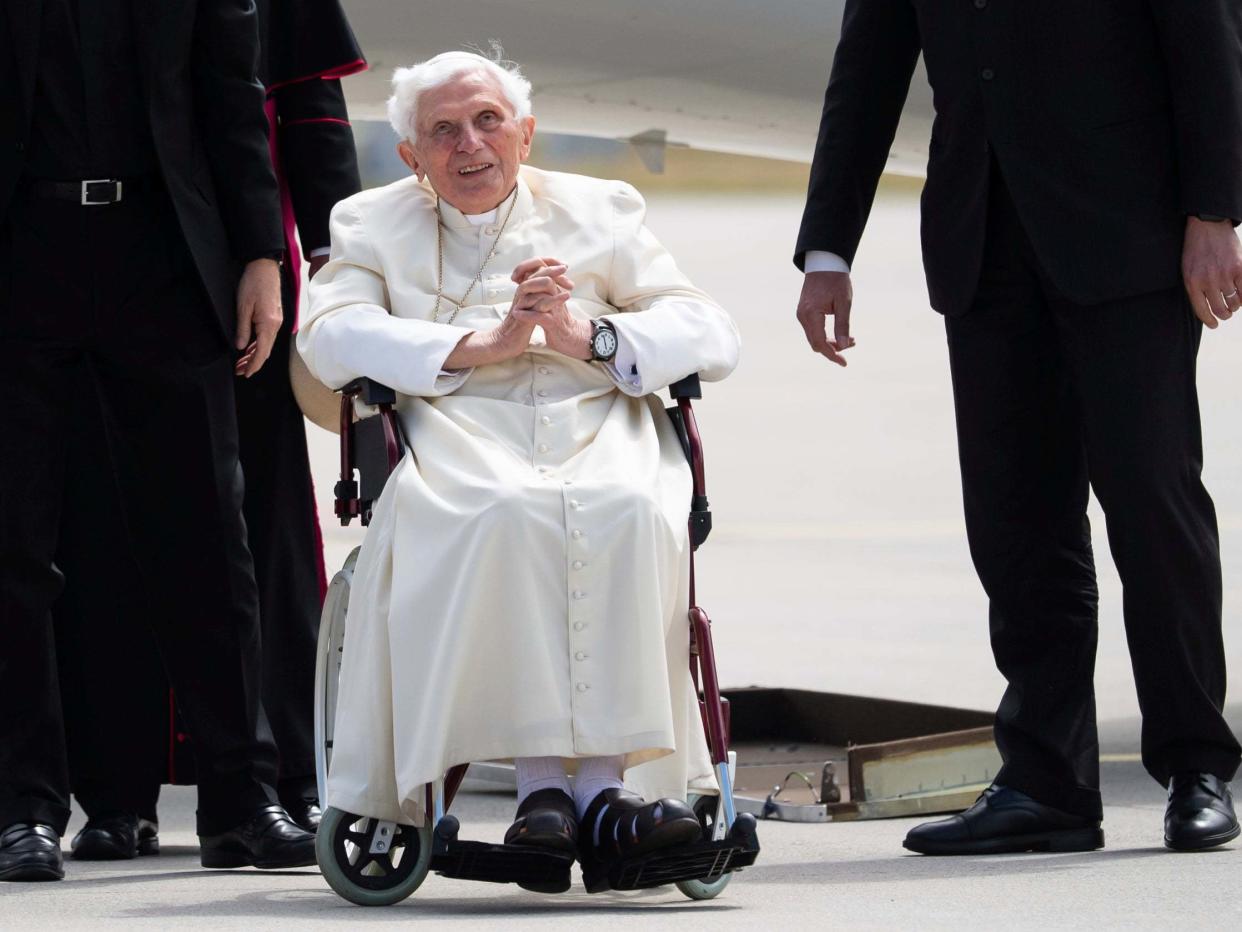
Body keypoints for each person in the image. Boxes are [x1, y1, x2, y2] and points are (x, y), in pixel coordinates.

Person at [795, 1, 1241, 854]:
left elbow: (1209, 43)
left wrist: (1214, 211)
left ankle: (1196, 767)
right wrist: (828, 251)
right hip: (985, 243)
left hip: (1129, 234)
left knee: (1154, 508)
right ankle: (1047, 781)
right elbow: (866, 73)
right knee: (1016, 526)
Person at [297, 50, 740, 880]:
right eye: (443, 131)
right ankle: (543, 789)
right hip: (458, 430)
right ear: (412, 157)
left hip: (598, 420)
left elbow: (712, 330)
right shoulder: (368, 221)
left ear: (525, 134)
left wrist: (591, 337)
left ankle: (602, 796)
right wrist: (483, 343)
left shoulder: (601, 209)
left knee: (627, 508)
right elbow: (329, 337)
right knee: (500, 511)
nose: (470, 145)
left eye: (488, 121)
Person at [0, 0, 316, 881]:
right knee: (14, 551)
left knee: (212, 540)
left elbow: (230, 97)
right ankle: (22, 808)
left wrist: (262, 253)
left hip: (166, 257)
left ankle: (243, 802)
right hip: (21, 252)